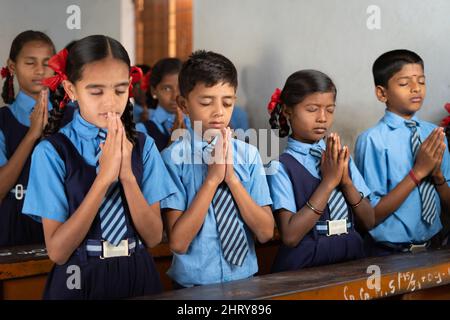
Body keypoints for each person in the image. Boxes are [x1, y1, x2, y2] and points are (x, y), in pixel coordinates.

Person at [22, 35, 176, 299]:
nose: (110, 102)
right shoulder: (51, 152)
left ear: (130, 85)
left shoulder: (143, 145)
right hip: (79, 277)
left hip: (137, 271)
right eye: (96, 91)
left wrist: (127, 176)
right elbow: (58, 251)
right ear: (71, 90)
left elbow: (153, 237)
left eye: (119, 90)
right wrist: (103, 179)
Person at [161, 50, 274, 288]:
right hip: (193, 287)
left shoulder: (248, 155)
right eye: (205, 102)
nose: (218, 112)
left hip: (246, 281)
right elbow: (178, 243)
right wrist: (212, 180)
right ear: (184, 104)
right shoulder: (173, 160)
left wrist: (231, 178)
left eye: (227, 102)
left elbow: (265, 232)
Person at [266, 70, 374, 272]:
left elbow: (370, 221)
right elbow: (290, 236)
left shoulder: (341, 158)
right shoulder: (281, 167)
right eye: (312, 109)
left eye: (330, 110)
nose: (322, 118)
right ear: (288, 111)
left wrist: (347, 182)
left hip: (351, 255)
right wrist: (328, 183)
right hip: (307, 263)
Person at [355, 49, 450, 256]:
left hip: (434, 248)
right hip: (388, 253)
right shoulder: (373, 140)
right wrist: (418, 172)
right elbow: (370, 215)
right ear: (382, 93)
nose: (416, 89)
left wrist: (438, 176)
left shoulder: (434, 135)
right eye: (405, 83)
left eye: (422, 81)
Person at [0, 30, 56, 246]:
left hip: (62, 227)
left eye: (47, 63)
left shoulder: (72, 116)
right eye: (30, 63)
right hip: (13, 228)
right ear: (12, 67)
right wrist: (32, 134)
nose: (40, 70)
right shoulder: (3, 119)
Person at [136, 58, 190, 151]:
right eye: (167, 89)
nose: (175, 96)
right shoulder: (142, 130)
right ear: (154, 91)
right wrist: (173, 142)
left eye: (180, 87)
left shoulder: (196, 124)